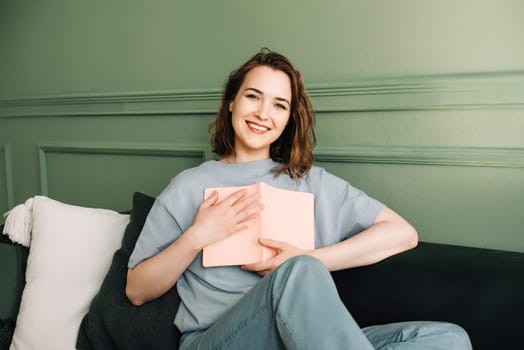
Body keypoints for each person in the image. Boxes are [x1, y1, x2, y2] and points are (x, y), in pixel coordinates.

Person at [126, 50, 472, 350]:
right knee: (299, 272)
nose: (263, 113)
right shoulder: (190, 185)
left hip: (301, 339)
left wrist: (311, 258)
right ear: (231, 101)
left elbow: (402, 233)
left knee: (447, 340)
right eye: (253, 97)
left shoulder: (308, 182)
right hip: (216, 340)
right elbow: (137, 290)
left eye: (279, 104)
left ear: (289, 118)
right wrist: (198, 235)